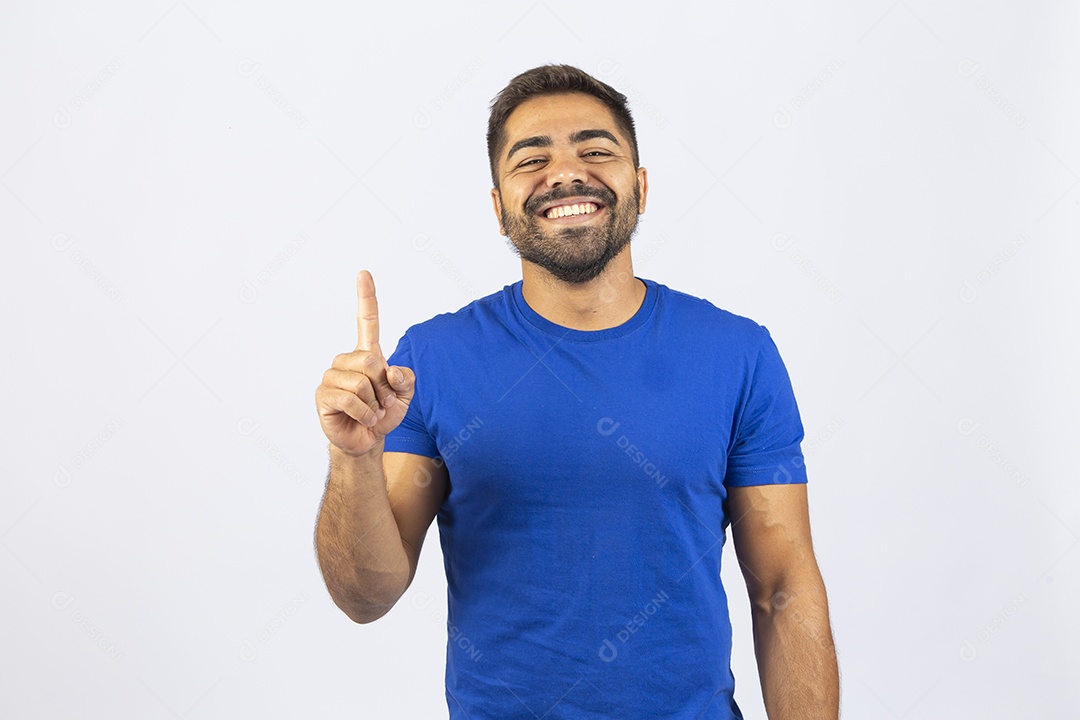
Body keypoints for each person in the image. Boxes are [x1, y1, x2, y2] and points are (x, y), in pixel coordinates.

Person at [314, 64, 839, 720]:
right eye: (532, 159)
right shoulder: (428, 362)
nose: (565, 173)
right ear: (499, 209)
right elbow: (367, 596)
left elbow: (784, 588)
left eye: (595, 150)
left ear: (640, 188)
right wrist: (353, 459)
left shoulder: (739, 354)